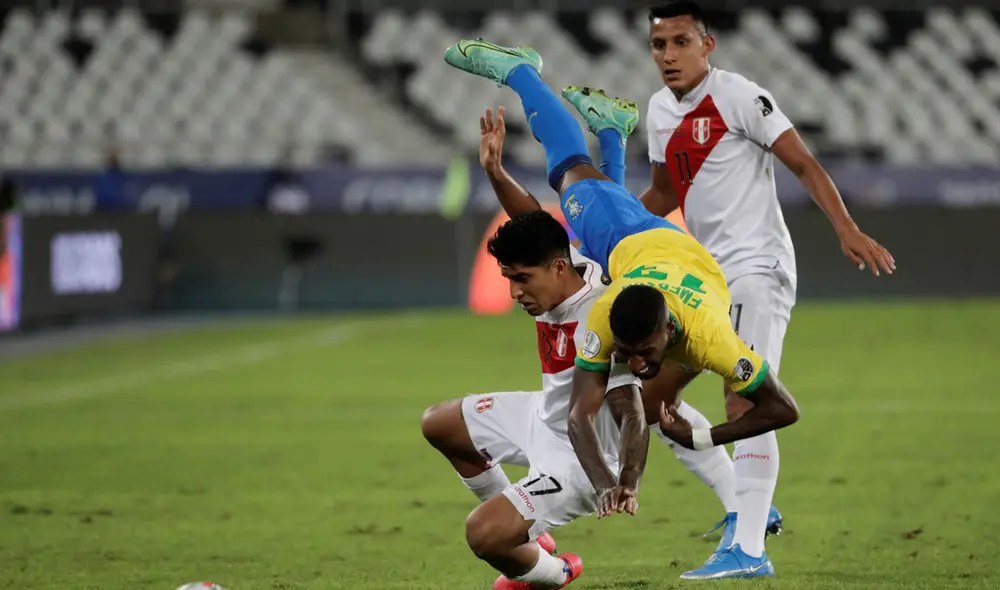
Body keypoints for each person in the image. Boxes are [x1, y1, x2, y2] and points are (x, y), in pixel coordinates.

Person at [444, 37, 800, 579]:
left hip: (650, 251)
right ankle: (611, 130)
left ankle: (521, 75)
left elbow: (781, 409)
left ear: (668, 334)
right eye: (628, 353)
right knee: (652, 401)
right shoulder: (607, 310)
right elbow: (584, 408)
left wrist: (701, 438)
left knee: (569, 170)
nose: (632, 363)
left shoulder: (712, 339)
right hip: (655, 263)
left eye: (640, 353)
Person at [598, 1, 890, 578]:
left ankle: (749, 550)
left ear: (707, 45)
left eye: (680, 42)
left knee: (747, 398)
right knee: (647, 401)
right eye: (659, 45)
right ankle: (747, 505)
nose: (668, 55)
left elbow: (803, 163)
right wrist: (617, 228)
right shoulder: (660, 110)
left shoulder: (739, 96)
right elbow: (666, 193)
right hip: (704, 281)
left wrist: (846, 227)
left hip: (758, 267)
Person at [422, 210, 644, 590]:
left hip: (580, 458)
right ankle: (529, 532)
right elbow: (526, 210)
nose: (514, 293)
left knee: (484, 534)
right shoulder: (569, 262)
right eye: (509, 279)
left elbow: (632, 411)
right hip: (542, 415)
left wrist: (622, 481)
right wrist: (495, 176)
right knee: (439, 423)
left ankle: (556, 573)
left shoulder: (605, 315)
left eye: (522, 279)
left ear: (558, 268)